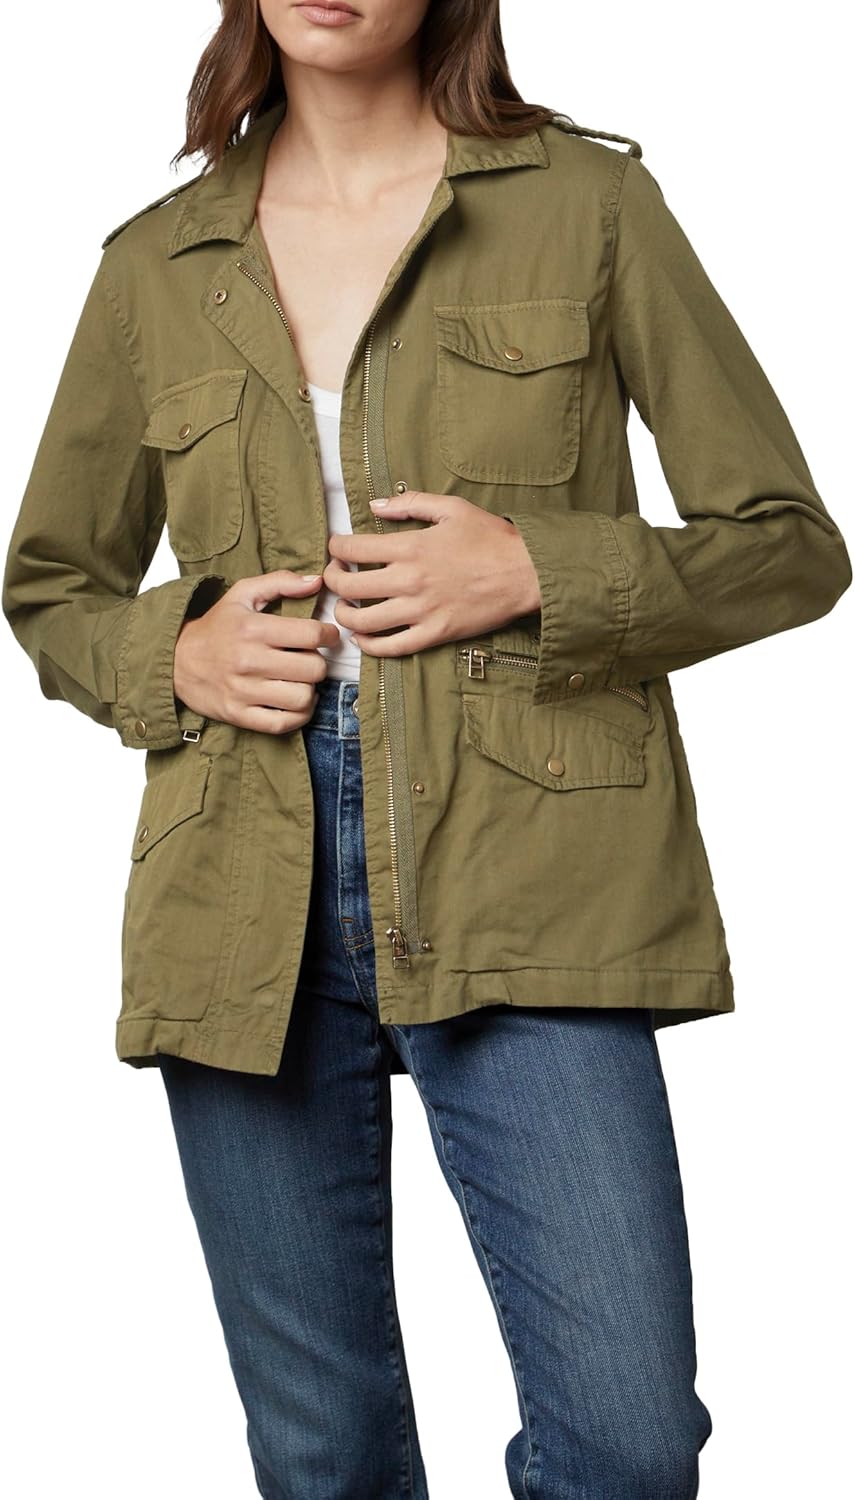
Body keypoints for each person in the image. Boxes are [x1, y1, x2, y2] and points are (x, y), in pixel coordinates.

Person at [3, 1, 851, 1496]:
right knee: (322, 1456)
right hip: (239, 884)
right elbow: (52, 585)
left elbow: (788, 545)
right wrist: (174, 652)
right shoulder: (157, 263)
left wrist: (537, 569)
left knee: (630, 1442)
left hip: (538, 864)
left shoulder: (588, 205)